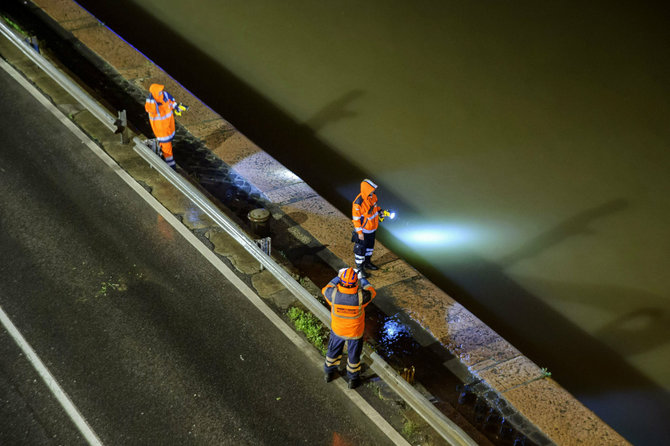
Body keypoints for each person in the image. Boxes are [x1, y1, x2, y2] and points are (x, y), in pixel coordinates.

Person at [322, 267, 376, 389]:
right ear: (355, 283)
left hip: (338, 330)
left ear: (341, 282)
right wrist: (362, 279)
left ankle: (329, 373)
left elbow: (325, 288)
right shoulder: (361, 297)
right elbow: (372, 291)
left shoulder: (333, 295)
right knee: (353, 357)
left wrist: (338, 276)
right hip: (354, 333)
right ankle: (352, 380)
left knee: (332, 352)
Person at [145, 83, 185, 169]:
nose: (161, 92)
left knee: (166, 145)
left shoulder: (164, 96)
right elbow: (153, 109)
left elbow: (171, 103)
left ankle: (160, 152)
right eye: (159, 92)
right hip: (161, 130)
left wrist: (177, 107)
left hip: (168, 126)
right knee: (167, 148)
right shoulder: (152, 105)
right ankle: (171, 166)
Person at [352, 178, 382, 277]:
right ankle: (360, 268)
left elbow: (374, 208)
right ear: (366, 190)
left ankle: (367, 263)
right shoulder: (358, 203)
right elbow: (356, 219)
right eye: (371, 189)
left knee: (369, 248)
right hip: (364, 231)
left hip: (372, 229)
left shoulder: (373, 197)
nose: (373, 191)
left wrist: (380, 211)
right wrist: (360, 233)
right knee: (360, 250)